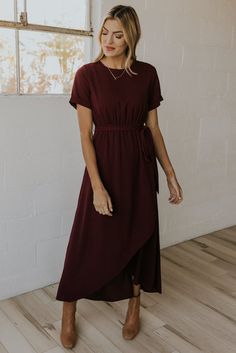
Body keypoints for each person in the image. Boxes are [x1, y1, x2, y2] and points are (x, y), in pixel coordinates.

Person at [56, 4, 183, 349]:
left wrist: (170, 173)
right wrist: (97, 186)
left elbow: (153, 129)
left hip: (139, 165)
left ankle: (134, 305)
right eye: (104, 32)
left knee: (140, 235)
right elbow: (85, 135)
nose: (109, 40)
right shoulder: (87, 75)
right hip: (105, 165)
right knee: (88, 239)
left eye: (118, 34)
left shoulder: (147, 74)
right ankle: (69, 308)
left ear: (131, 37)